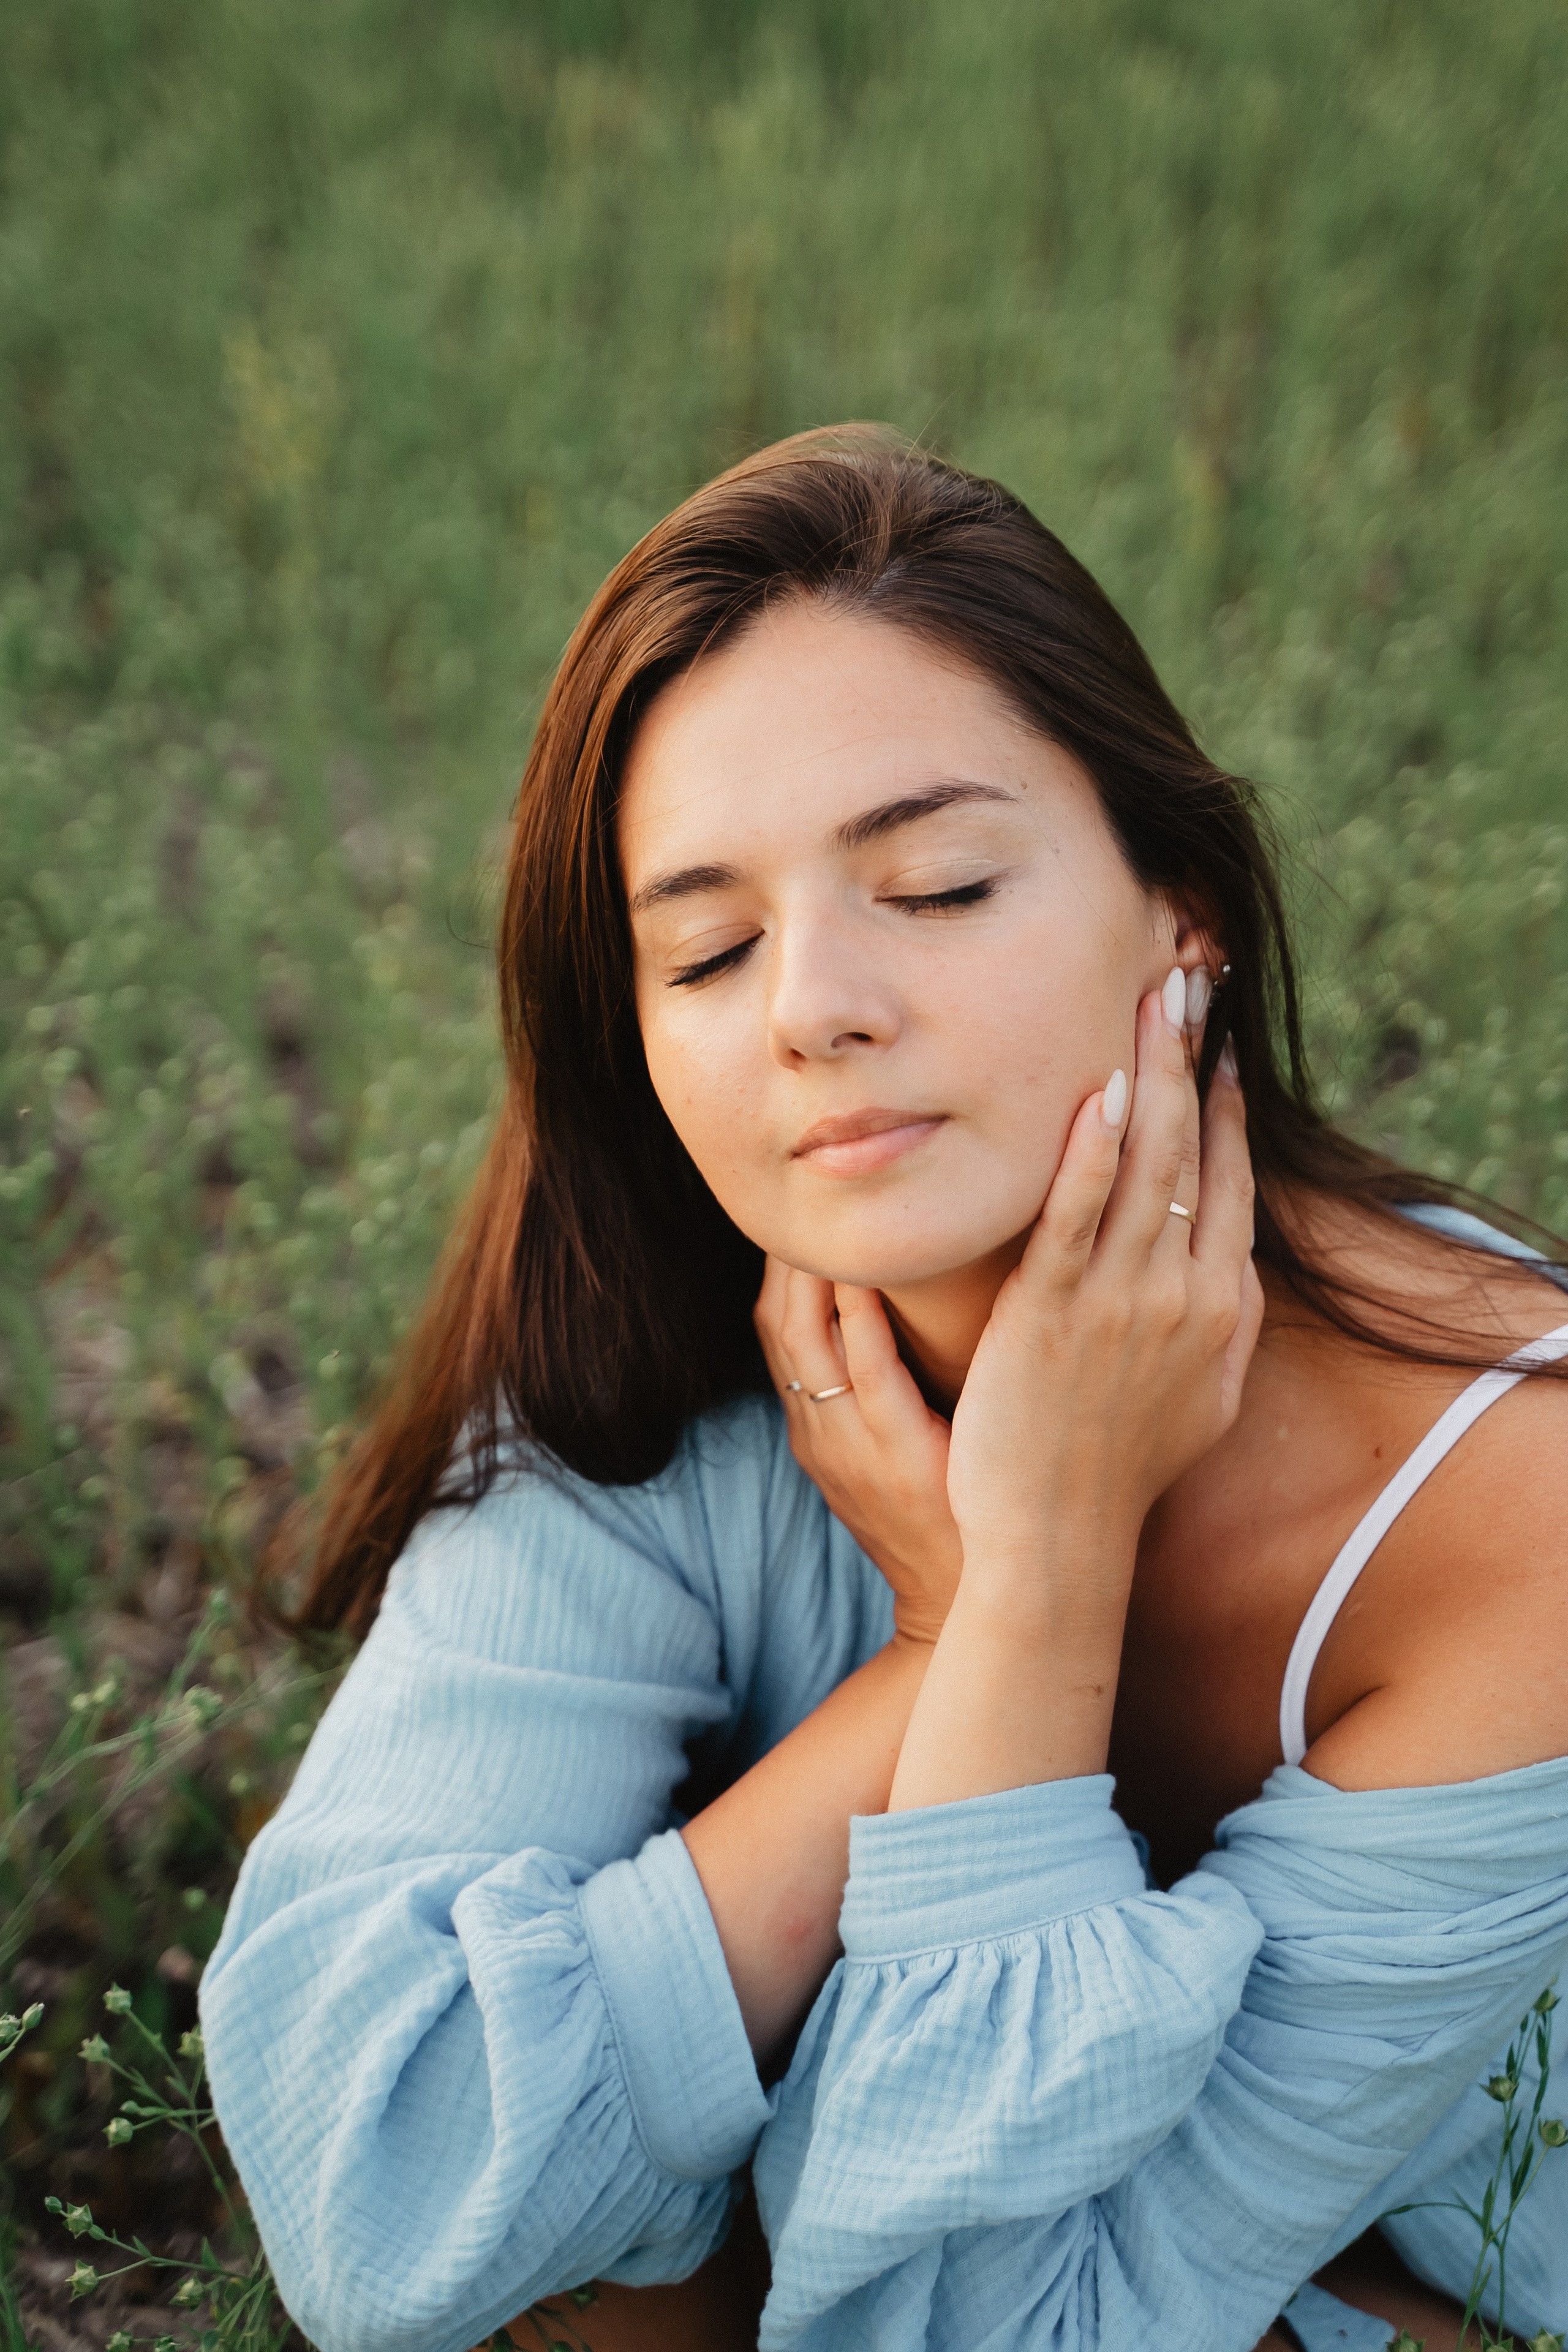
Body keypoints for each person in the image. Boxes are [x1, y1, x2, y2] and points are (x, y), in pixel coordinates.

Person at [200, 428, 1568, 2352]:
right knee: (576, 2271)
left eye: (936, 884)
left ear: (1183, 912)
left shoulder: (1517, 1503)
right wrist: (979, 1623)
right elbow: (380, 2188)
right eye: (709, 949)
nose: (812, 1008)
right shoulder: (652, 1359)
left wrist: (1037, 1581)